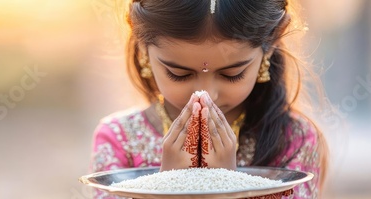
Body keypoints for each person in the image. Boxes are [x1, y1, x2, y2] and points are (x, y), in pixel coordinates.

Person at [90, 0, 328, 198]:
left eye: (231, 74)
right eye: (179, 74)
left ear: (271, 44)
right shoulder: (120, 138)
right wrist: (169, 186)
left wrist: (226, 185)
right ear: (143, 45)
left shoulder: (293, 140)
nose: (206, 95)